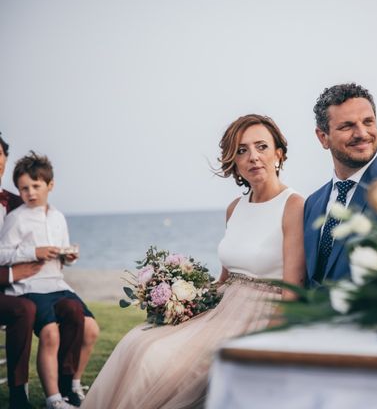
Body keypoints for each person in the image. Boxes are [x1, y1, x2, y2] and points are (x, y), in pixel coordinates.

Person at [82, 114, 305, 409]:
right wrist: (180, 297)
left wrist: (267, 342)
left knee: (156, 361)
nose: (253, 157)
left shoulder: (294, 205)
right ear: (234, 161)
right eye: (242, 150)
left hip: (259, 315)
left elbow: (293, 289)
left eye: (261, 147)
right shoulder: (234, 208)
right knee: (136, 342)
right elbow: (224, 278)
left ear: (278, 153)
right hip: (222, 307)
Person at [0, 151, 100, 409]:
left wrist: (70, 256)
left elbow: (63, 251)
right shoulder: (16, 218)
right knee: (51, 334)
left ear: (50, 185)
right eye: (24, 188)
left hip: (58, 284)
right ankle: (54, 398)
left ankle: (72, 385)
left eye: (36, 186)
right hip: (30, 287)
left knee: (89, 327)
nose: (30, 192)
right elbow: (2, 254)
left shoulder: (58, 217)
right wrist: (33, 252)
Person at [304, 83, 377, 285]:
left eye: (368, 122)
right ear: (323, 138)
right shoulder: (312, 204)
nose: (362, 133)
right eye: (347, 126)